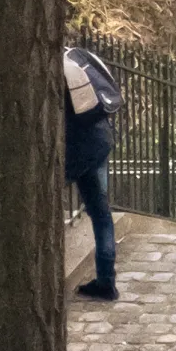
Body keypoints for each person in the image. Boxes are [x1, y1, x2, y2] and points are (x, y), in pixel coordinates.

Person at [64, 47, 120, 301]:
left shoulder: (49, 69)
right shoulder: (77, 56)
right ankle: (106, 281)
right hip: (98, 142)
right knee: (101, 213)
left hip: (74, 148)